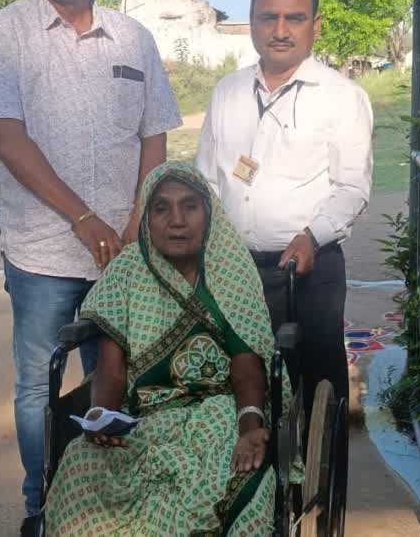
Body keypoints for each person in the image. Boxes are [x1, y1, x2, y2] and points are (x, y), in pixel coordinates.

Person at [0, 0, 183, 533]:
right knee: (38, 385)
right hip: (41, 253)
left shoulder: (133, 37)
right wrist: (82, 218)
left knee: (119, 381)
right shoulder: (6, 31)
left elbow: (155, 137)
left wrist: (136, 221)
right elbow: (6, 137)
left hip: (124, 254)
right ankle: (41, 507)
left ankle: (109, 503)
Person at [195, 0, 373, 504]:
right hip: (234, 267)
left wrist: (312, 236)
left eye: (294, 18)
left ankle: (323, 495)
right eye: (268, 17)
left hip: (309, 267)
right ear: (251, 24)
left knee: (317, 381)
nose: (280, 29)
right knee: (244, 382)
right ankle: (256, 495)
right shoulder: (228, 92)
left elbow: (351, 187)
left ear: (314, 26)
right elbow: (207, 177)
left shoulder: (342, 97)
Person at [43, 162, 284, 536]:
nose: (177, 220)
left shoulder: (229, 268)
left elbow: (247, 359)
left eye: (190, 206)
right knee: (80, 464)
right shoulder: (127, 272)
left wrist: (249, 424)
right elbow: (111, 368)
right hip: (144, 417)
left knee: (233, 476)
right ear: (146, 219)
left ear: (208, 213)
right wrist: (102, 416)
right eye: (161, 208)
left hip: (219, 411)